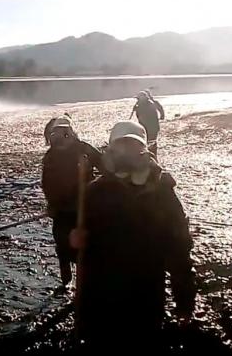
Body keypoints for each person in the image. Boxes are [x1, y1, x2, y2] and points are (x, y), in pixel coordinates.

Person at [69, 121, 196, 352]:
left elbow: (179, 248)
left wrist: (184, 301)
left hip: (146, 294)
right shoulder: (94, 192)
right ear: (110, 151)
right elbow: (81, 253)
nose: (126, 153)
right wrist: (74, 242)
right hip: (103, 297)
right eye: (120, 146)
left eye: (132, 146)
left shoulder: (161, 192)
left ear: (144, 151)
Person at [41, 114, 103, 286]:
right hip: (61, 209)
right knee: (62, 246)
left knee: (84, 246)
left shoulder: (83, 149)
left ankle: (81, 285)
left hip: (84, 207)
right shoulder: (51, 155)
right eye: (56, 133)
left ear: (69, 132)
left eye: (63, 132)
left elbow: (105, 166)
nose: (59, 136)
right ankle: (67, 281)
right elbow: (46, 183)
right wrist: (51, 204)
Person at [130, 91, 165, 156]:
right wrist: (162, 116)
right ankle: (152, 156)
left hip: (146, 127)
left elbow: (138, 116)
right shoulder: (151, 103)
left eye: (138, 98)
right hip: (152, 126)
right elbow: (160, 108)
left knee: (149, 142)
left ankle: (150, 156)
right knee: (151, 142)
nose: (137, 100)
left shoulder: (141, 105)